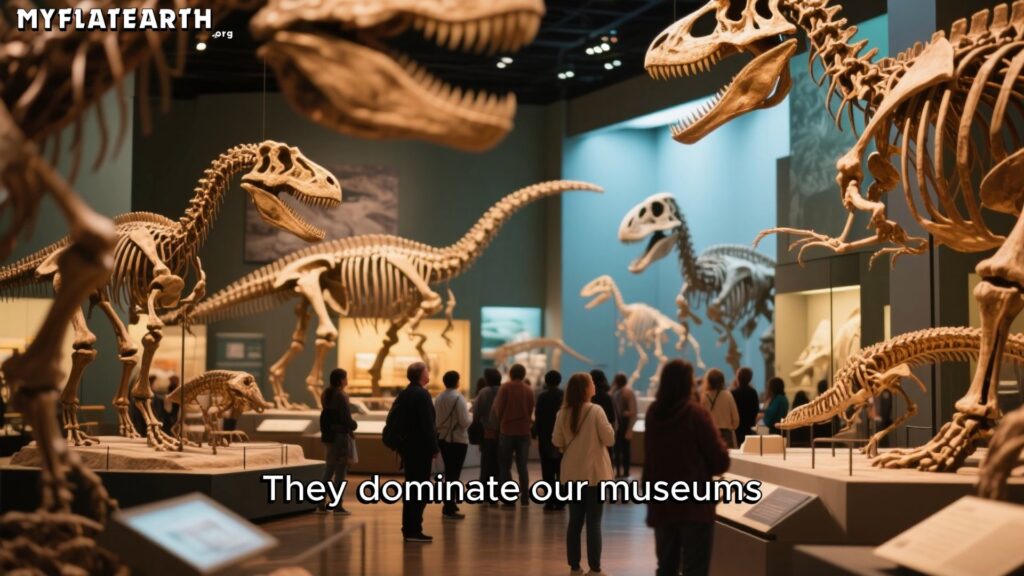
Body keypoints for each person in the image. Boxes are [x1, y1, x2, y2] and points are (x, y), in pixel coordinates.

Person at [644, 360, 730, 576]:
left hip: (662, 501)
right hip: (694, 505)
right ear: (688, 383)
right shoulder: (696, 414)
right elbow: (720, 461)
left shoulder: (653, 413)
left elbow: (650, 458)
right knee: (695, 569)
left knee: (666, 567)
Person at [553, 372, 615, 575]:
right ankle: (595, 568)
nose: (594, 386)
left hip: (572, 474)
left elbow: (557, 440)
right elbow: (609, 439)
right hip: (595, 474)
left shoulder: (562, 413)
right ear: (585, 388)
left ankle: (574, 567)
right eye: (591, 383)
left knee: (575, 521)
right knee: (594, 522)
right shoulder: (596, 411)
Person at [395, 362, 438, 542]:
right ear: (421, 375)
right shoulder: (422, 394)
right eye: (426, 371)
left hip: (408, 447)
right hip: (420, 449)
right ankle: (414, 529)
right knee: (420, 488)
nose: (429, 373)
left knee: (412, 487)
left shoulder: (405, 393)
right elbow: (428, 424)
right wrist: (434, 447)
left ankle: (409, 528)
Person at [493, 363, 534, 507]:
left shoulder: (505, 388)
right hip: (524, 431)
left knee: (505, 466)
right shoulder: (528, 389)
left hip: (507, 431)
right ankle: (525, 497)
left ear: (510, 373)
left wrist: (502, 421)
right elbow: (530, 409)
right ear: (523, 375)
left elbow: (498, 409)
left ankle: (509, 497)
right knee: (522, 466)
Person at [318, 368, 358, 514]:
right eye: (345, 378)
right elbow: (346, 418)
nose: (347, 380)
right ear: (341, 380)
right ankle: (337, 504)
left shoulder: (326, 394)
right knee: (340, 472)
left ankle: (320, 501)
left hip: (329, 436)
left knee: (329, 469)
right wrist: (354, 425)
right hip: (340, 437)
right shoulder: (341, 395)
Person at [434, 370, 471, 519]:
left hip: (442, 438)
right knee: (454, 474)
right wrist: (471, 417)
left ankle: (450, 503)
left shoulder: (439, 397)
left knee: (449, 473)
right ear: (457, 382)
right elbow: (464, 422)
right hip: (457, 440)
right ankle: (449, 507)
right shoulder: (458, 398)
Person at [534, 370, 565, 511]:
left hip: (545, 437)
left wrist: (536, 433)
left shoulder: (542, 397)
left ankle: (549, 501)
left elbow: (538, 417)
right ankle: (561, 500)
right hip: (562, 437)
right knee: (561, 469)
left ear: (546, 381)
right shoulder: (564, 396)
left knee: (547, 470)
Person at [472, 368, 502, 505]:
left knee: (486, 465)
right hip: (503, 433)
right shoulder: (503, 391)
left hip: (487, 433)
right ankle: (497, 493)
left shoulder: (483, 392)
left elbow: (476, 412)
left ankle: (484, 494)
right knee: (499, 465)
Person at [700, 368, 739, 449]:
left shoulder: (703, 397)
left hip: (709, 434)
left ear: (708, 381)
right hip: (726, 434)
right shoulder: (728, 395)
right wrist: (730, 427)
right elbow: (736, 419)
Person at [611, 372, 637, 478]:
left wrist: (629, 429)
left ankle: (624, 471)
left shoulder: (627, 392)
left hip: (624, 424)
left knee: (624, 449)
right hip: (619, 423)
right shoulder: (617, 392)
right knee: (618, 449)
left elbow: (633, 411)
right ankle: (619, 471)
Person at [590, 369, 616, 464]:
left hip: (589, 435)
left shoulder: (588, 396)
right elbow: (612, 419)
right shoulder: (607, 397)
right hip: (604, 434)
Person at [732, 367, 759, 448]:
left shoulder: (733, 393)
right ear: (750, 379)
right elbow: (756, 410)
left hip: (737, 427)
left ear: (738, 377)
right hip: (749, 426)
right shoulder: (753, 392)